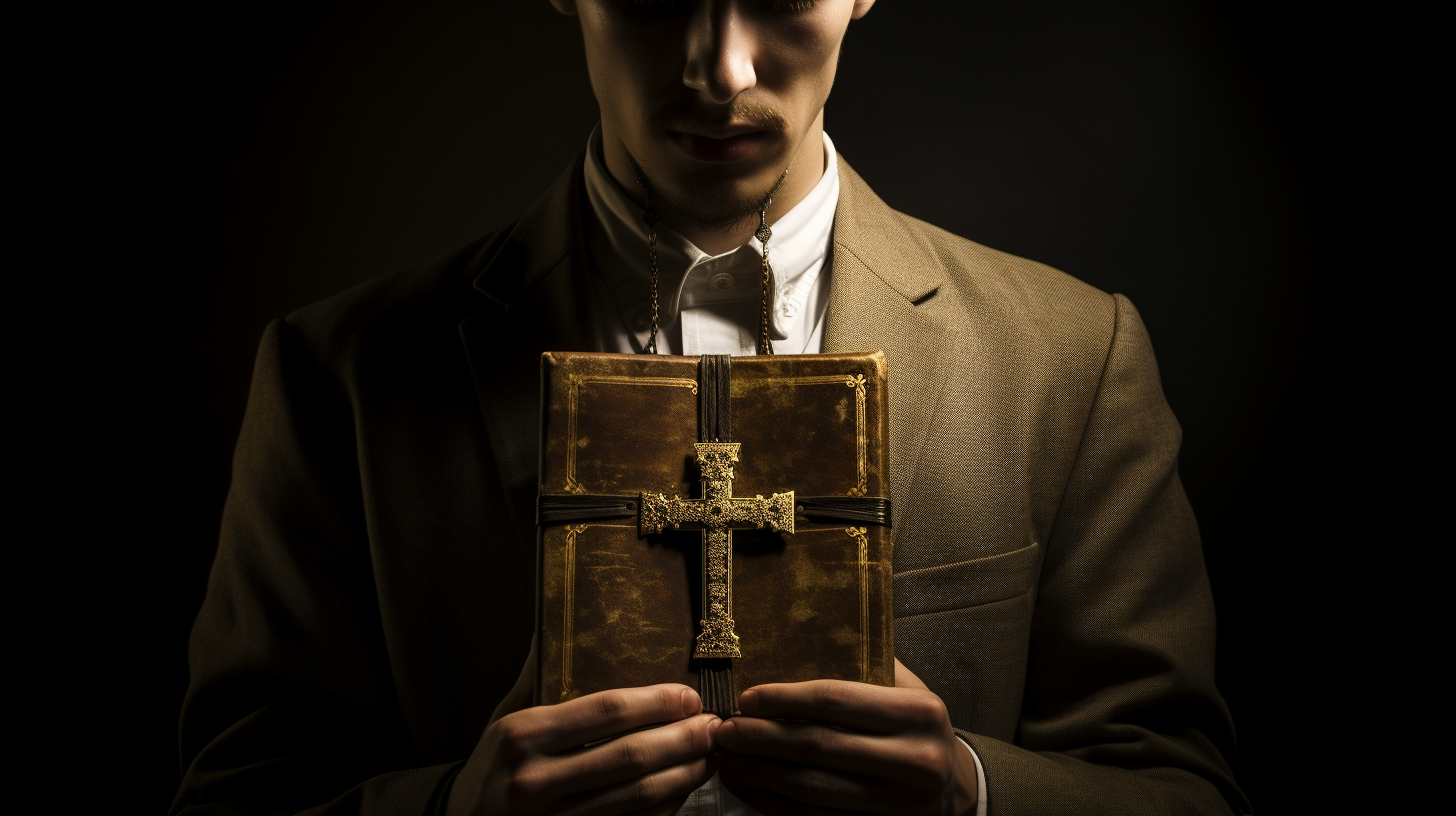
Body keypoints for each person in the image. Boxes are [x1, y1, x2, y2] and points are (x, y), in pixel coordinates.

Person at [174, 1, 1249, 814]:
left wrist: (971, 790)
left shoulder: (1069, 354)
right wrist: (453, 807)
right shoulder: (338, 375)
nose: (719, 68)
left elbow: (1183, 789)